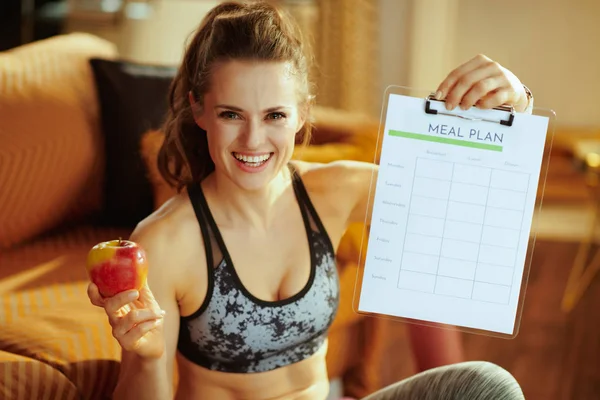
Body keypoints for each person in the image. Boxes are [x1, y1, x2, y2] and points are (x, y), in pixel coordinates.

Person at [87, 1, 532, 399]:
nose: (253, 139)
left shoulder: (335, 191)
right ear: (200, 109)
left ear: (302, 113)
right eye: (231, 114)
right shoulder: (165, 241)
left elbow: (469, 209)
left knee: (488, 385)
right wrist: (145, 356)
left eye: (275, 115)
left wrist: (515, 106)